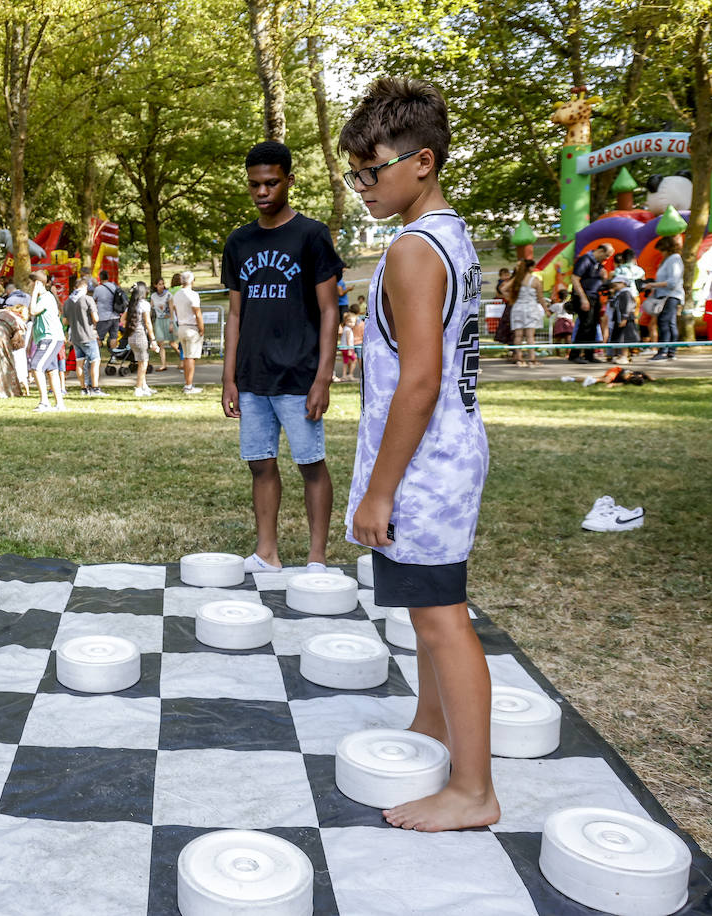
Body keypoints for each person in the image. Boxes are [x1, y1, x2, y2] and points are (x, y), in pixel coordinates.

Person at [340, 76, 497, 833]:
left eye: (371, 172)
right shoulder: (452, 236)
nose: (360, 187)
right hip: (450, 453)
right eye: (355, 174)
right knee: (424, 609)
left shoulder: (410, 251)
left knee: (441, 620)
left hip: (424, 466)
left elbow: (420, 382)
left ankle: (472, 789)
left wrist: (378, 490)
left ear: (422, 161)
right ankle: (432, 726)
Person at [220, 140, 341, 574]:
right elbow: (235, 314)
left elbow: (330, 310)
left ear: (289, 180)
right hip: (253, 378)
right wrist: (228, 377)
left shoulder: (311, 235)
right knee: (260, 464)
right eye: (254, 184)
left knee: (310, 464)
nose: (262, 192)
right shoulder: (239, 241)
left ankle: (316, 558)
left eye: (271, 183)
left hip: (299, 376)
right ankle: (266, 553)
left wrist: (323, 377)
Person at [25, 271, 68, 410]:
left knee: (36, 366)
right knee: (52, 371)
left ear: (37, 283)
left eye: (31, 283)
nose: (29, 286)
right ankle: (60, 404)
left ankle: (44, 402)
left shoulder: (45, 298)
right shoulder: (45, 298)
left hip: (50, 338)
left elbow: (32, 311)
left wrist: (35, 293)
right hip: (46, 338)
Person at [567, 242, 612, 363]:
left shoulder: (597, 264)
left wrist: (604, 278)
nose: (607, 258)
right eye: (606, 255)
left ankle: (589, 354)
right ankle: (575, 354)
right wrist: (583, 298)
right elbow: (575, 279)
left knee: (592, 326)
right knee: (585, 326)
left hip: (595, 297)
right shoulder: (585, 260)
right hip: (585, 296)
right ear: (601, 251)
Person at [62, 277, 102, 396]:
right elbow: (96, 318)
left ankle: (83, 388)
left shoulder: (68, 301)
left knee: (79, 363)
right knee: (95, 361)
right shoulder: (88, 299)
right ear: (85, 287)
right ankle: (95, 388)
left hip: (75, 337)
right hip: (88, 335)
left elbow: (64, 321)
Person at [647, 236, 684, 361]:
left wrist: (653, 284)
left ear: (667, 249)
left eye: (662, 250)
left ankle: (663, 351)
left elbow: (672, 282)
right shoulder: (668, 260)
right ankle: (670, 352)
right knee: (670, 323)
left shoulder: (674, 259)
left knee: (664, 323)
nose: (661, 253)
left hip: (670, 295)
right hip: (667, 295)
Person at [172, 270, 204, 393]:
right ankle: (189, 385)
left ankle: (187, 383)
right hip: (191, 327)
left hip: (181, 326)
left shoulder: (177, 294)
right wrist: (201, 328)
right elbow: (197, 313)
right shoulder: (193, 295)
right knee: (191, 358)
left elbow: (175, 310)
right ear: (192, 281)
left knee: (186, 357)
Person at [508, 258, 544, 367]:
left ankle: (519, 359)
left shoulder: (517, 279)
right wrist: (546, 310)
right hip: (531, 308)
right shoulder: (535, 280)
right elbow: (540, 298)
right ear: (530, 268)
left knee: (518, 335)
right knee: (530, 336)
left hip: (518, 308)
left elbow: (503, 288)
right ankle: (532, 360)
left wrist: (511, 299)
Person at [125, 280, 158, 396]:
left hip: (131, 335)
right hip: (140, 335)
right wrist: (153, 339)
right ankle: (138, 388)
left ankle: (144, 386)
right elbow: (148, 323)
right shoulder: (144, 304)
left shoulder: (131, 304)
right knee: (143, 363)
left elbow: (122, 319)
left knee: (140, 361)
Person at [607, 274, 639, 363]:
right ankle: (618, 355)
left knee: (624, 339)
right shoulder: (619, 294)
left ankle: (624, 356)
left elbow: (628, 306)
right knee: (618, 338)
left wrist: (624, 318)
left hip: (625, 319)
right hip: (618, 319)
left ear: (624, 283)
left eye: (617, 283)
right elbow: (613, 305)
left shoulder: (626, 293)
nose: (615, 286)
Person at [149, 278, 175, 371]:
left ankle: (183, 359)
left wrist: (172, 323)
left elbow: (172, 310)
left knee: (173, 343)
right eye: (159, 284)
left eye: (163, 284)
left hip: (168, 320)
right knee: (160, 343)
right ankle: (163, 364)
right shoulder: (153, 296)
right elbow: (151, 309)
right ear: (155, 285)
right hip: (159, 320)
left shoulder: (168, 295)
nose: (162, 286)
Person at [93, 270, 120, 349]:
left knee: (99, 337)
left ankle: (97, 354)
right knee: (114, 337)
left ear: (100, 278)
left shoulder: (98, 289)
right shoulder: (114, 286)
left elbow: (93, 300)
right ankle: (113, 356)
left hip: (103, 317)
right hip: (115, 316)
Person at [336, 310, 357, 381]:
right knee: (354, 359)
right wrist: (349, 350)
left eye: (354, 322)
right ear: (346, 322)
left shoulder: (345, 328)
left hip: (344, 348)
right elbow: (348, 340)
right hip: (347, 348)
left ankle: (344, 375)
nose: (352, 324)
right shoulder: (348, 330)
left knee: (345, 361)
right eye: (350, 322)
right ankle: (350, 375)